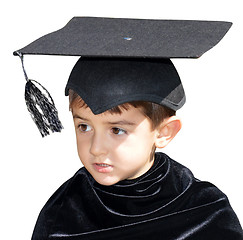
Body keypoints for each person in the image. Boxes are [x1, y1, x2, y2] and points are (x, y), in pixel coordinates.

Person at [14, 17, 243, 239]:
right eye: (84, 126)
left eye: (117, 130)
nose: (96, 148)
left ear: (164, 132)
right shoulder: (63, 213)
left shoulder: (203, 210)